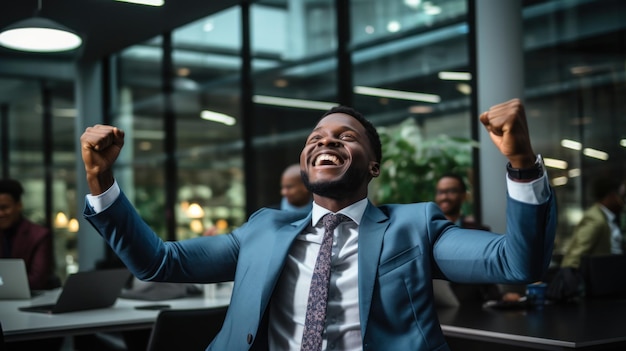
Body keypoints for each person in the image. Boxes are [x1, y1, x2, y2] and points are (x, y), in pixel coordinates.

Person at [80, 98, 556, 350]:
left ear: (373, 166)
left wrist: (521, 163)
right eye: (316, 137)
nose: (326, 141)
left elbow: (517, 263)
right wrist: (101, 182)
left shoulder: (415, 226)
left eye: (345, 136)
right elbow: (157, 262)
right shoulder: (261, 230)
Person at [434, 173, 521, 303]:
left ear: (464, 196)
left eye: (451, 191)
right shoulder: (427, 231)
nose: (445, 196)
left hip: (473, 306)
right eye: (441, 192)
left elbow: (488, 272)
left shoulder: (479, 231)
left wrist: (500, 297)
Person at [0, 179, 57, 290]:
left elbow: (37, 279)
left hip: (32, 298)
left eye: (5, 208)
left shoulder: (39, 235)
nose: (1, 214)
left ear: (19, 205)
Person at [560, 177, 625, 269]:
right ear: (610, 196)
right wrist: (571, 274)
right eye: (621, 196)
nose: (623, 201)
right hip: (600, 277)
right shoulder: (595, 219)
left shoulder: (609, 218)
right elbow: (576, 255)